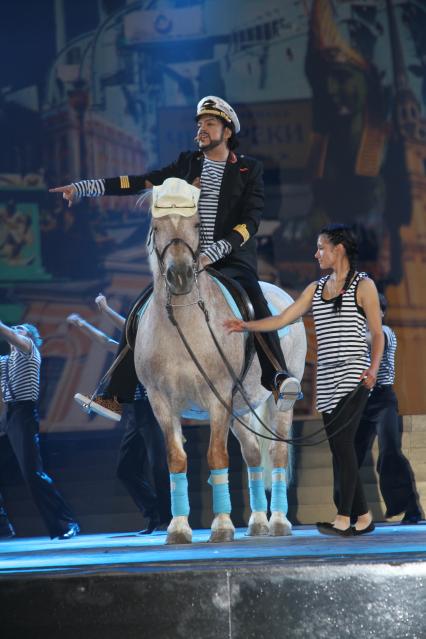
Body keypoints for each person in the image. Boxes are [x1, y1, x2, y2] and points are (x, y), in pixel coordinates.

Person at [49, 95, 301, 420]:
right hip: (187, 259)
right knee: (140, 309)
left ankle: (277, 377)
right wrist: (86, 187)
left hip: (229, 259)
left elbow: (250, 222)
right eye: (200, 124)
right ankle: (113, 392)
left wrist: (215, 252)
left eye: (209, 124)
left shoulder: (248, 169)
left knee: (255, 301)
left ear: (227, 131)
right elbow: (139, 182)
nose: (202, 129)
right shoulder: (187, 164)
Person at [225, 223, 384, 536]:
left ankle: (343, 518)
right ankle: (363, 516)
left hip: (354, 374)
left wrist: (373, 369)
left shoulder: (364, 286)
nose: (317, 254)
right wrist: (246, 325)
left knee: (343, 444)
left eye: (321, 247)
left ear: (338, 250)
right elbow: (283, 318)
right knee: (339, 449)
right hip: (326, 378)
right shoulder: (316, 288)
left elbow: (377, 333)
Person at [67, 306, 171, 533]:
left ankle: (167, 517)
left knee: (159, 467)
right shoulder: (126, 352)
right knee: (125, 469)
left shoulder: (151, 349)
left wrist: (104, 308)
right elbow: (105, 341)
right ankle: (153, 513)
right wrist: (82, 325)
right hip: (134, 414)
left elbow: (125, 325)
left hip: (154, 411)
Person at [344, 294, 421, 525]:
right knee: (350, 456)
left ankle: (410, 509)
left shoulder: (385, 332)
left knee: (390, 452)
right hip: (359, 402)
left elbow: (371, 338)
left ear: (382, 314)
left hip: (383, 400)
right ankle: (349, 511)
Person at [0, 321, 79, 539]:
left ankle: (66, 523)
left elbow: (7, 332)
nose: (16, 330)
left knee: (32, 474)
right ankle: (3, 525)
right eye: (14, 328)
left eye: (20, 328)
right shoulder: (5, 361)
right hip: (9, 417)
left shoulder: (28, 348)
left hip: (24, 415)